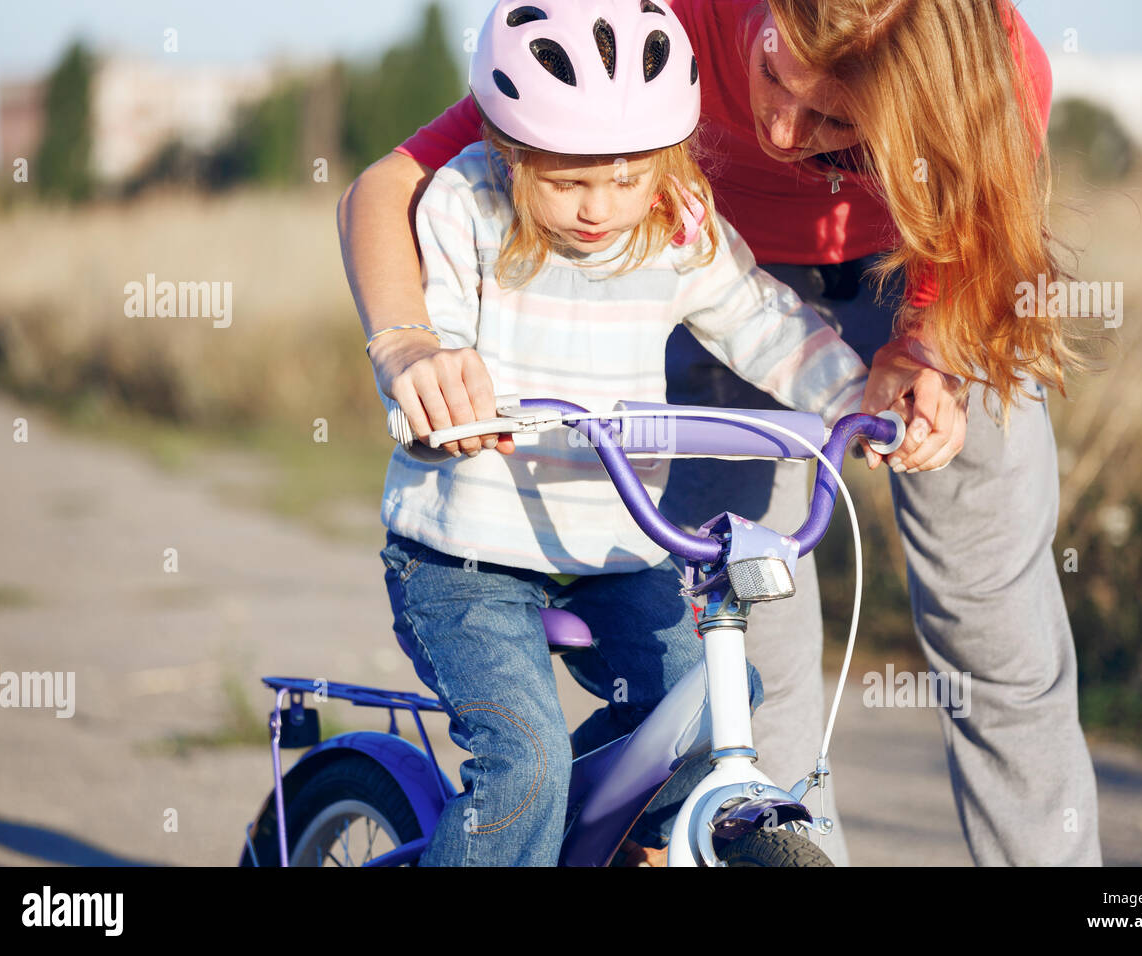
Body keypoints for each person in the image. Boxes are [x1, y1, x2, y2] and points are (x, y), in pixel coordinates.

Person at [340, 0, 1102, 866]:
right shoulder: (634, 42)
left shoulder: (986, 75)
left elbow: (971, 237)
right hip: (713, 282)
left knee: (996, 633)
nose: (783, 130)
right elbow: (400, 185)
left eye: (836, 122)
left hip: (907, 275)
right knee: (752, 670)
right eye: (776, 76)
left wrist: (925, 347)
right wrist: (410, 347)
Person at [370, 0, 873, 866]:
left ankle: (549, 835)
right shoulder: (465, 205)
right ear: (509, 148)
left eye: (628, 178)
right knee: (523, 764)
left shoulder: (675, 220)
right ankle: (523, 817)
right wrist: (435, 403)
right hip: (467, 557)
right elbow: (436, 340)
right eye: (567, 183)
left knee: (718, 711)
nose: (600, 207)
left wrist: (853, 396)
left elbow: (758, 318)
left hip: (615, 549)